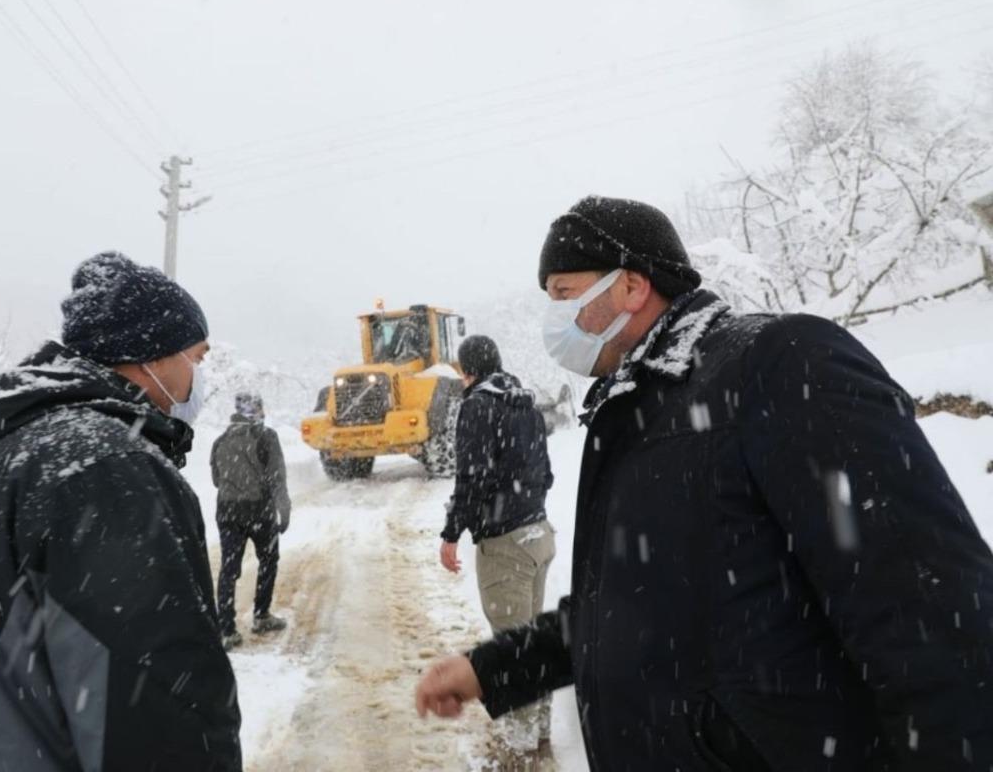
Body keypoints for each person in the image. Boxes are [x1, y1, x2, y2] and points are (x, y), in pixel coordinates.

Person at [416, 196, 993, 771]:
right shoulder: (638, 410)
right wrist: (494, 670)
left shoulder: (778, 364)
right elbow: (628, 610)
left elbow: (934, 618)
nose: (554, 319)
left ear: (632, 288)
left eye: (564, 294)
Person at [0, 251, 242, 771]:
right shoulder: (106, 468)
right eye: (197, 358)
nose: (199, 377)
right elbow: (158, 699)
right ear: (152, 356)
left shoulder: (10, 448)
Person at [439, 334, 555, 756]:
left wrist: (452, 532)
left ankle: (522, 750)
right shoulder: (524, 403)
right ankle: (539, 734)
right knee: (534, 643)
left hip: (505, 543)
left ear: (468, 369)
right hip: (538, 535)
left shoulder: (477, 406)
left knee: (513, 650)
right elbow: (546, 472)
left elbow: (471, 479)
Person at [210, 392, 291, 649]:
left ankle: (226, 629)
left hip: (227, 511)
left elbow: (215, 479)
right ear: (256, 410)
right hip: (259, 512)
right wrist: (284, 509)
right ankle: (261, 615)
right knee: (268, 560)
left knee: (228, 569)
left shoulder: (220, 440)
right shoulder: (266, 436)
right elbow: (277, 476)